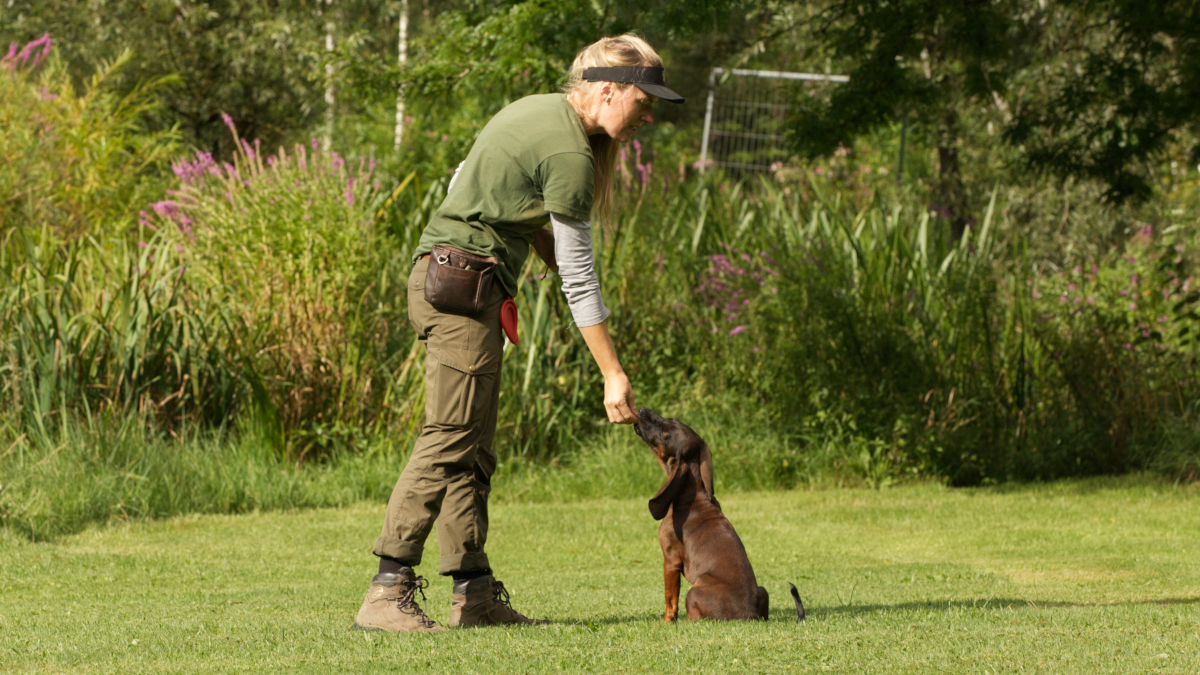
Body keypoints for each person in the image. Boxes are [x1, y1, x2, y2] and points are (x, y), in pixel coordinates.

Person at [352, 34, 685, 632]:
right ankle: (387, 588)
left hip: (452, 282)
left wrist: (536, 244)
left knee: (471, 448)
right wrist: (613, 373)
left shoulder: (534, 110)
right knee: (449, 438)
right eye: (643, 99)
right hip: (463, 291)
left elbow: (472, 182)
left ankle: (474, 595)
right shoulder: (571, 156)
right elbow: (579, 280)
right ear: (608, 90)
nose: (649, 114)